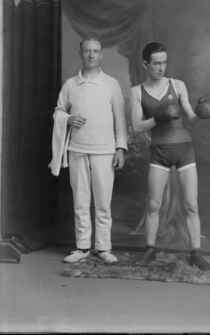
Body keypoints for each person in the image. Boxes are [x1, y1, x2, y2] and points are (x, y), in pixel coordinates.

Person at [130, 42, 210, 271]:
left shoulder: (177, 85)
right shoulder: (136, 91)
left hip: (184, 150)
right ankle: (149, 250)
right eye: (156, 63)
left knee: (191, 205)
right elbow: (137, 127)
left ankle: (196, 254)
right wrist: (158, 117)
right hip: (159, 151)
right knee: (153, 204)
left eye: (164, 62)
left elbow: (189, 118)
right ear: (145, 64)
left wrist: (201, 113)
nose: (161, 67)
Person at [49, 37, 127, 264]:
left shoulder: (111, 83)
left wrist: (120, 148)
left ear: (101, 54)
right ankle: (82, 247)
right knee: (81, 200)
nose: (91, 55)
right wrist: (69, 118)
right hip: (77, 149)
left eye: (95, 51)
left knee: (103, 201)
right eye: (87, 51)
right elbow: (58, 112)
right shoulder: (71, 84)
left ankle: (103, 248)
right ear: (80, 53)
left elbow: (120, 118)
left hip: (105, 150)